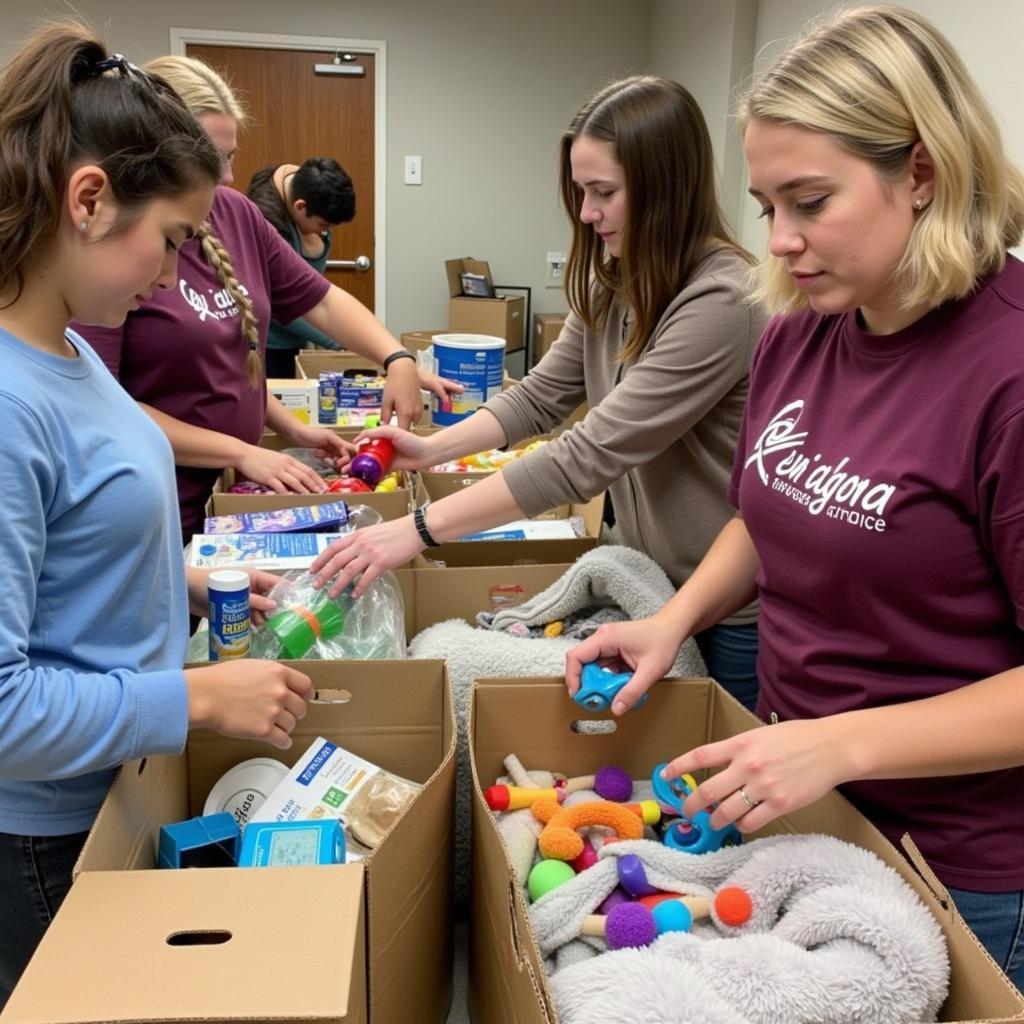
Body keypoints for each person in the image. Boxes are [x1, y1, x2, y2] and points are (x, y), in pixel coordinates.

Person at [566, 5, 1024, 987]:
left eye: (809, 202)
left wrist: (838, 743)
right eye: (766, 204)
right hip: (806, 809)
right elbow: (776, 513)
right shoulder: (804, 324)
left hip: (962, 863)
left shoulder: (1006, 372)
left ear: (922, 172)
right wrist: (675, 618)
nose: (778, 241)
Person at [0, 23, 316, 1005]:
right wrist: (199, 702)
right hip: (47, 832)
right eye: (174, 240)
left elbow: (73, 549)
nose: (177, 270)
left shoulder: (71, 351)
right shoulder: (11, 402)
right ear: (89, 200)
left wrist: (188, 580)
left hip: (113, 777)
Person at [311, 75, 768, 710]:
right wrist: (431, 450)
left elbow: (590, 454)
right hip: (650, 579)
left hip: (727, 613)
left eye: (603, 192)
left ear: (666, 188)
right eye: (581, 192)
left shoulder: (723, 300)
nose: (585, 213)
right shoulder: (618, 278)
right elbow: (537, 398)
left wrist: (419, 528)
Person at [77, 55, 459, 544]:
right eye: (214, 158)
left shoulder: (234, 213)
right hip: (159, 501)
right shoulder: (116, 255)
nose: (231, 176)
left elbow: (316, 303)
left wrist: (396, 358)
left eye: (231, 155)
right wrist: (239, 451)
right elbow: (106, 409)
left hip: (233, 492)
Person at [248, 157, 357, 378]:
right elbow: (285, 301)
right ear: (300, 206)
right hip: (270, 348)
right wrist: (338, 340)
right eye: (322, 225)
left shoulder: (301, 181)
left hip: (296, 339)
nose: (324, 233)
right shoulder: (266, 225)